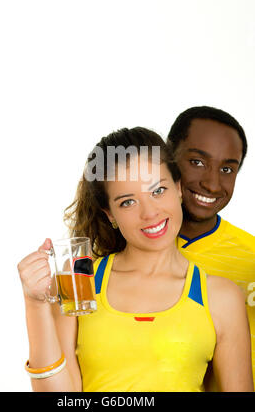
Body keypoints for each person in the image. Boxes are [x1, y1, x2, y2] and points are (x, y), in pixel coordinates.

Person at [17, 127, 253, 392]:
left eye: (158, 191)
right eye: (128, 202)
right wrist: (35, 304)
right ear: (110, 215)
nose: (150, 213)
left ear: (178, 188)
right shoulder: (80, 279)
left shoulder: (221, 296)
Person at [167, 106, 255, 388]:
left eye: (227, 169)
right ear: (168, 156)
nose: (212, 184)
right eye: (197, 162)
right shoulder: (115, 250)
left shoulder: (251, 256)